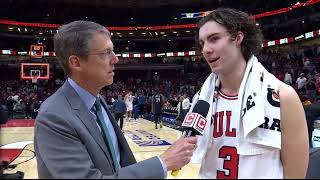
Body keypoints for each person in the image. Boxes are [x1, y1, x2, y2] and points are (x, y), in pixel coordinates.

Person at [34, 21, 197, 179]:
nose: (115, 59)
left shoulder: (98, 102)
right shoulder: (54, 116)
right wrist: (163, 163)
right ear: (76, 63)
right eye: (105, 53)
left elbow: (117, 164)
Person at [191, 8, 309, 178]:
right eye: (202, 43)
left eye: (214, 39)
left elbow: (295, 173)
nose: (206, 50)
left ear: (238, 38)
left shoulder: (283, 96)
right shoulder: (201, 99)